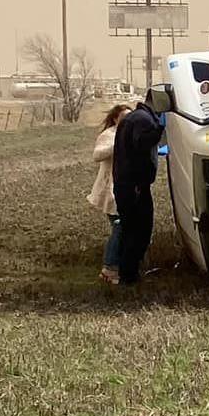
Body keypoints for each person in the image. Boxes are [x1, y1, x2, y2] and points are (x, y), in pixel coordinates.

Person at [112, 97, 164, 285]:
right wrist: (159, 130)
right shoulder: (143, 120)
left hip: (127, 184)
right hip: (135, 185)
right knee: (139, 230)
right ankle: (129, 277)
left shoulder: (135, 117)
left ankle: (127, 274)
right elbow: (142, 143)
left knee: (131, 229)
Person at [88, 103, 131, 284]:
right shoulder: (109, 135)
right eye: (123, 118)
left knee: (125, 228)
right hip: (109, 190)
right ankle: (109, 267)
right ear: (115, 119)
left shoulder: (130, 133)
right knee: (120, 226)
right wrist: (117, 145)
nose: (126, 121)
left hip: (125, 188)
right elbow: (97, 155)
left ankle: (122, 265)